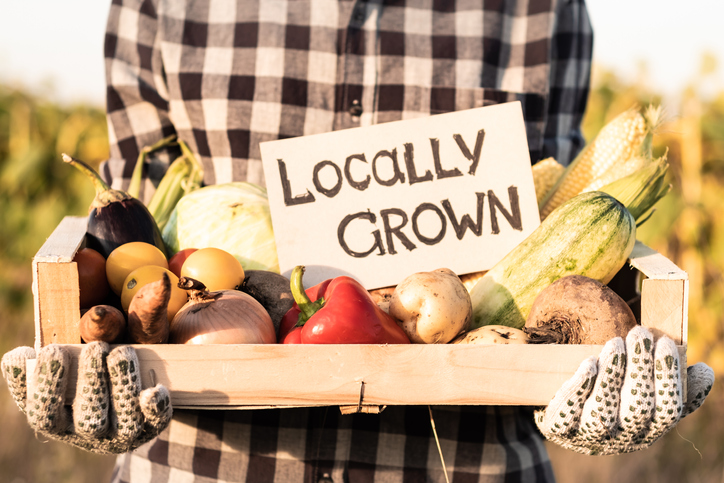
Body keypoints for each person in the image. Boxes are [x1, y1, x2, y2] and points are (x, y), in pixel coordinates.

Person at [1, 1, 714, 482]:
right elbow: (131, 233)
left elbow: (545, 225)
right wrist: (101, 357)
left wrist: (582, 380)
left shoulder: (538, 7)